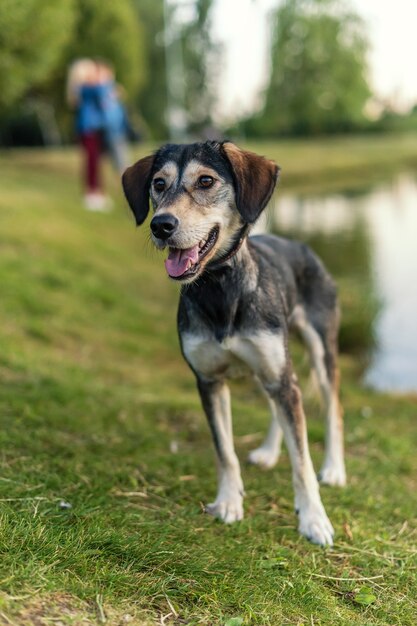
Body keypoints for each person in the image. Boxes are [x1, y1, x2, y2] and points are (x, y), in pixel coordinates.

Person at [66, 59, 111, 211]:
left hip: (93, 129)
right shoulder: (85, 88)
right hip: (88, 129)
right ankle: (91, 194)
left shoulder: (85, 89)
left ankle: (97, 192)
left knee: (96, 161)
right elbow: (102, 91)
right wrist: (105, 77)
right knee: (92, 162)